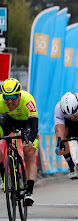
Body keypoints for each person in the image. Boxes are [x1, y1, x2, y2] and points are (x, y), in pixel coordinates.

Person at [0, 78, 39, 206]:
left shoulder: (27, 100)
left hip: (26, 123)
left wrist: (30, 141)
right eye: (6, 97)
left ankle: (29, 191)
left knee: (29, 152)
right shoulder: (1, 101)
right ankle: (4, 177)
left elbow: (34, 126)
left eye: (13, 97)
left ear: (19, 95)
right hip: (9, 120)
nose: (9, 101)